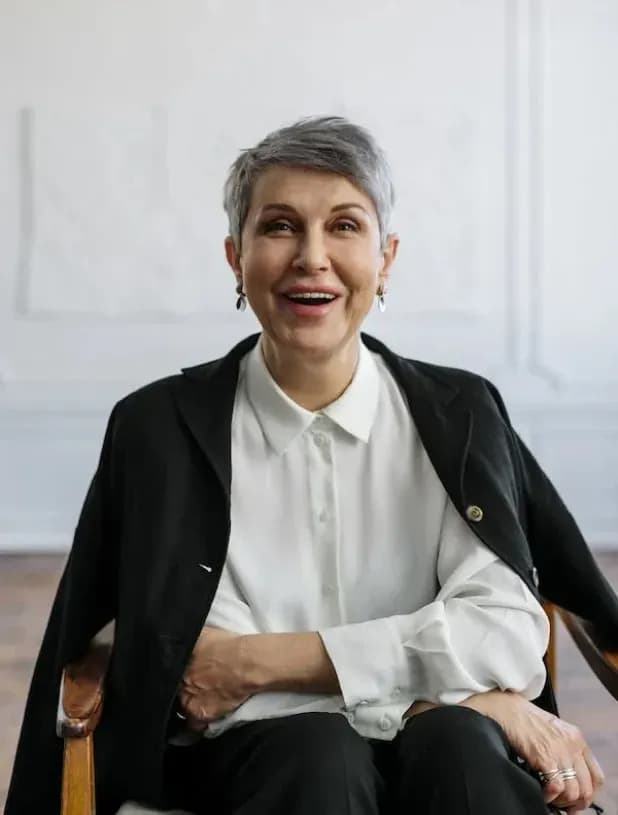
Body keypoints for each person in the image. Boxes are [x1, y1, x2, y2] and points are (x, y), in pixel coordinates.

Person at [6, 116, 617, 815]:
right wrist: (471, 693)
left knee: (457, 746)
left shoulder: (462, 412)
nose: (312, 257)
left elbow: (507, 632)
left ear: (387, 258)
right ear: (235, 257)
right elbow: (204, 686)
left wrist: (268, 661)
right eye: (279, 226)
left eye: (345, 226)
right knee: (320, 752)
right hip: (258, 770)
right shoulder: (158, 430)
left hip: (450, 754)